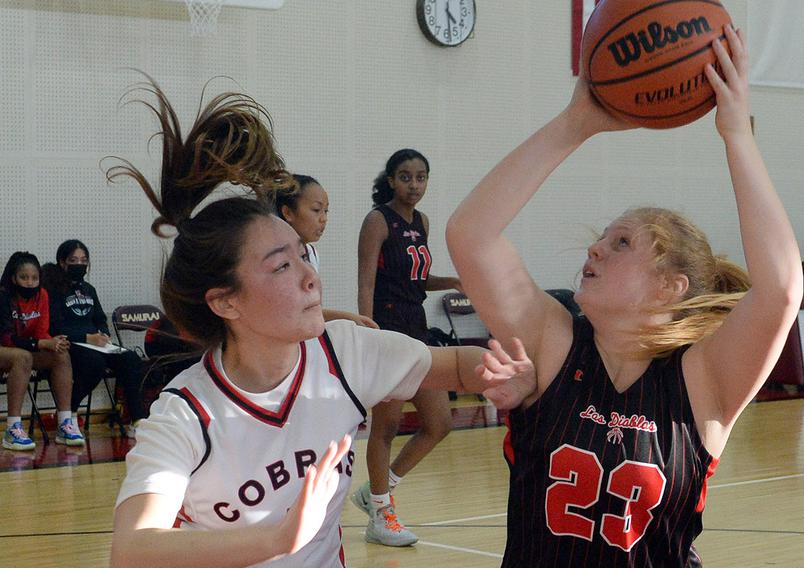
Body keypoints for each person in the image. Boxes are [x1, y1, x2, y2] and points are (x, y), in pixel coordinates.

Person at [107, 77, 530, 568]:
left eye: (301, 255)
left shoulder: (346, 351)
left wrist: (507, 374)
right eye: (282, 265)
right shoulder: (186, 413)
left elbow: (458, 365)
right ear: (226, 303)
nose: (310, 277)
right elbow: (132, 550)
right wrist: (274, 540)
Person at [447, 27, 803, 566]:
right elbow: (471, 234)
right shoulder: (552, 342)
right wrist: (575, 126)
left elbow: (779, 289)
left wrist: (737, 136)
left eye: (621, 243)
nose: (594, 248)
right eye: (604, 237)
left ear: (669, 286)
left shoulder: (704, 379)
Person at [352, 149, 463, 546]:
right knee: (387, 426)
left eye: (420, 178)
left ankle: (377, 491)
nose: (413, 185)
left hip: (417, 326)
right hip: (387, 326)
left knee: (439, 423)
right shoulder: (377, 220)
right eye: (405, 177)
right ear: (391, 179)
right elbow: (366, 280)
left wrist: (449, 281)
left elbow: (416, 276)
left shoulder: (422, 222)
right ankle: (380, 516)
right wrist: (368, 333)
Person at [42, 240, 148, 437]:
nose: (79, 264)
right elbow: (53, 327)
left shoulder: (89, 289)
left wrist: (104, 333)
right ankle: (68, 412)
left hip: (96, 341)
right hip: (72, 342)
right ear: (62, 262)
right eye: (74, 260)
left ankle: (137, 419)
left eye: (83, 260)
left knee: (130, 358)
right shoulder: (52, 289)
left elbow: (99, 318)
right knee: (94, 364)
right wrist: (86, 337)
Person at [274, 174, 377, 328]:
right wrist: (346, 317)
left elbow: (312, 311)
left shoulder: (311, 252)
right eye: (316, 210)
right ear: (287, 212)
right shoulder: (274, 257)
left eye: (326, 211)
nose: (323, 219)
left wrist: (350, 319)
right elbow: (290, 312)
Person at [0, 251, 79, 449]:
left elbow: (42, 332)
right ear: (13, 278)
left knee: (60, 354)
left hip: (23, 350)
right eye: (24, 277)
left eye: (34, 278)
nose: (29, 283)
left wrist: (53, 342)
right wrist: (41, 344)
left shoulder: (42, 295)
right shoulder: (3, 296)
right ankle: (12, 428)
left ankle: (65, 423)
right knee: (23, 357)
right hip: (6, 348)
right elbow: (7, 338)